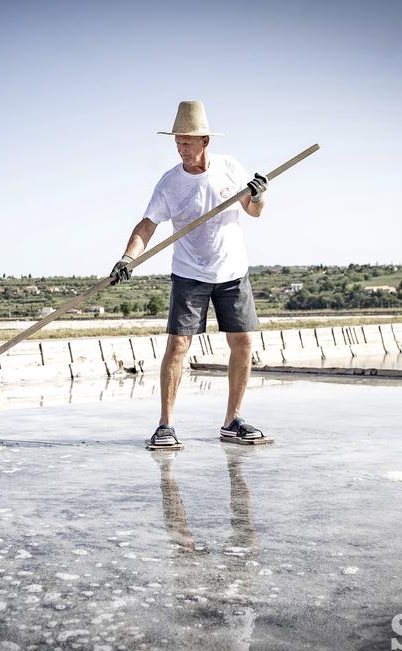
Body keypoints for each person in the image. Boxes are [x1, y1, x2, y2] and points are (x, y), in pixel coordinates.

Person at [110, 101, 270, 449]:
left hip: (232, 272)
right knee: (179, 345)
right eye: (178, 143)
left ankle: (233, 421)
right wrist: (127, 257)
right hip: (189, 274)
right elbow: (147, 224)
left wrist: (259, 196)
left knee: (242, 342)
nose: (181, 149)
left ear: (205, 141)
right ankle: (165, 425)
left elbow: (253, 212)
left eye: (187, 142)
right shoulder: (169, 183)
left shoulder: (230, 168)